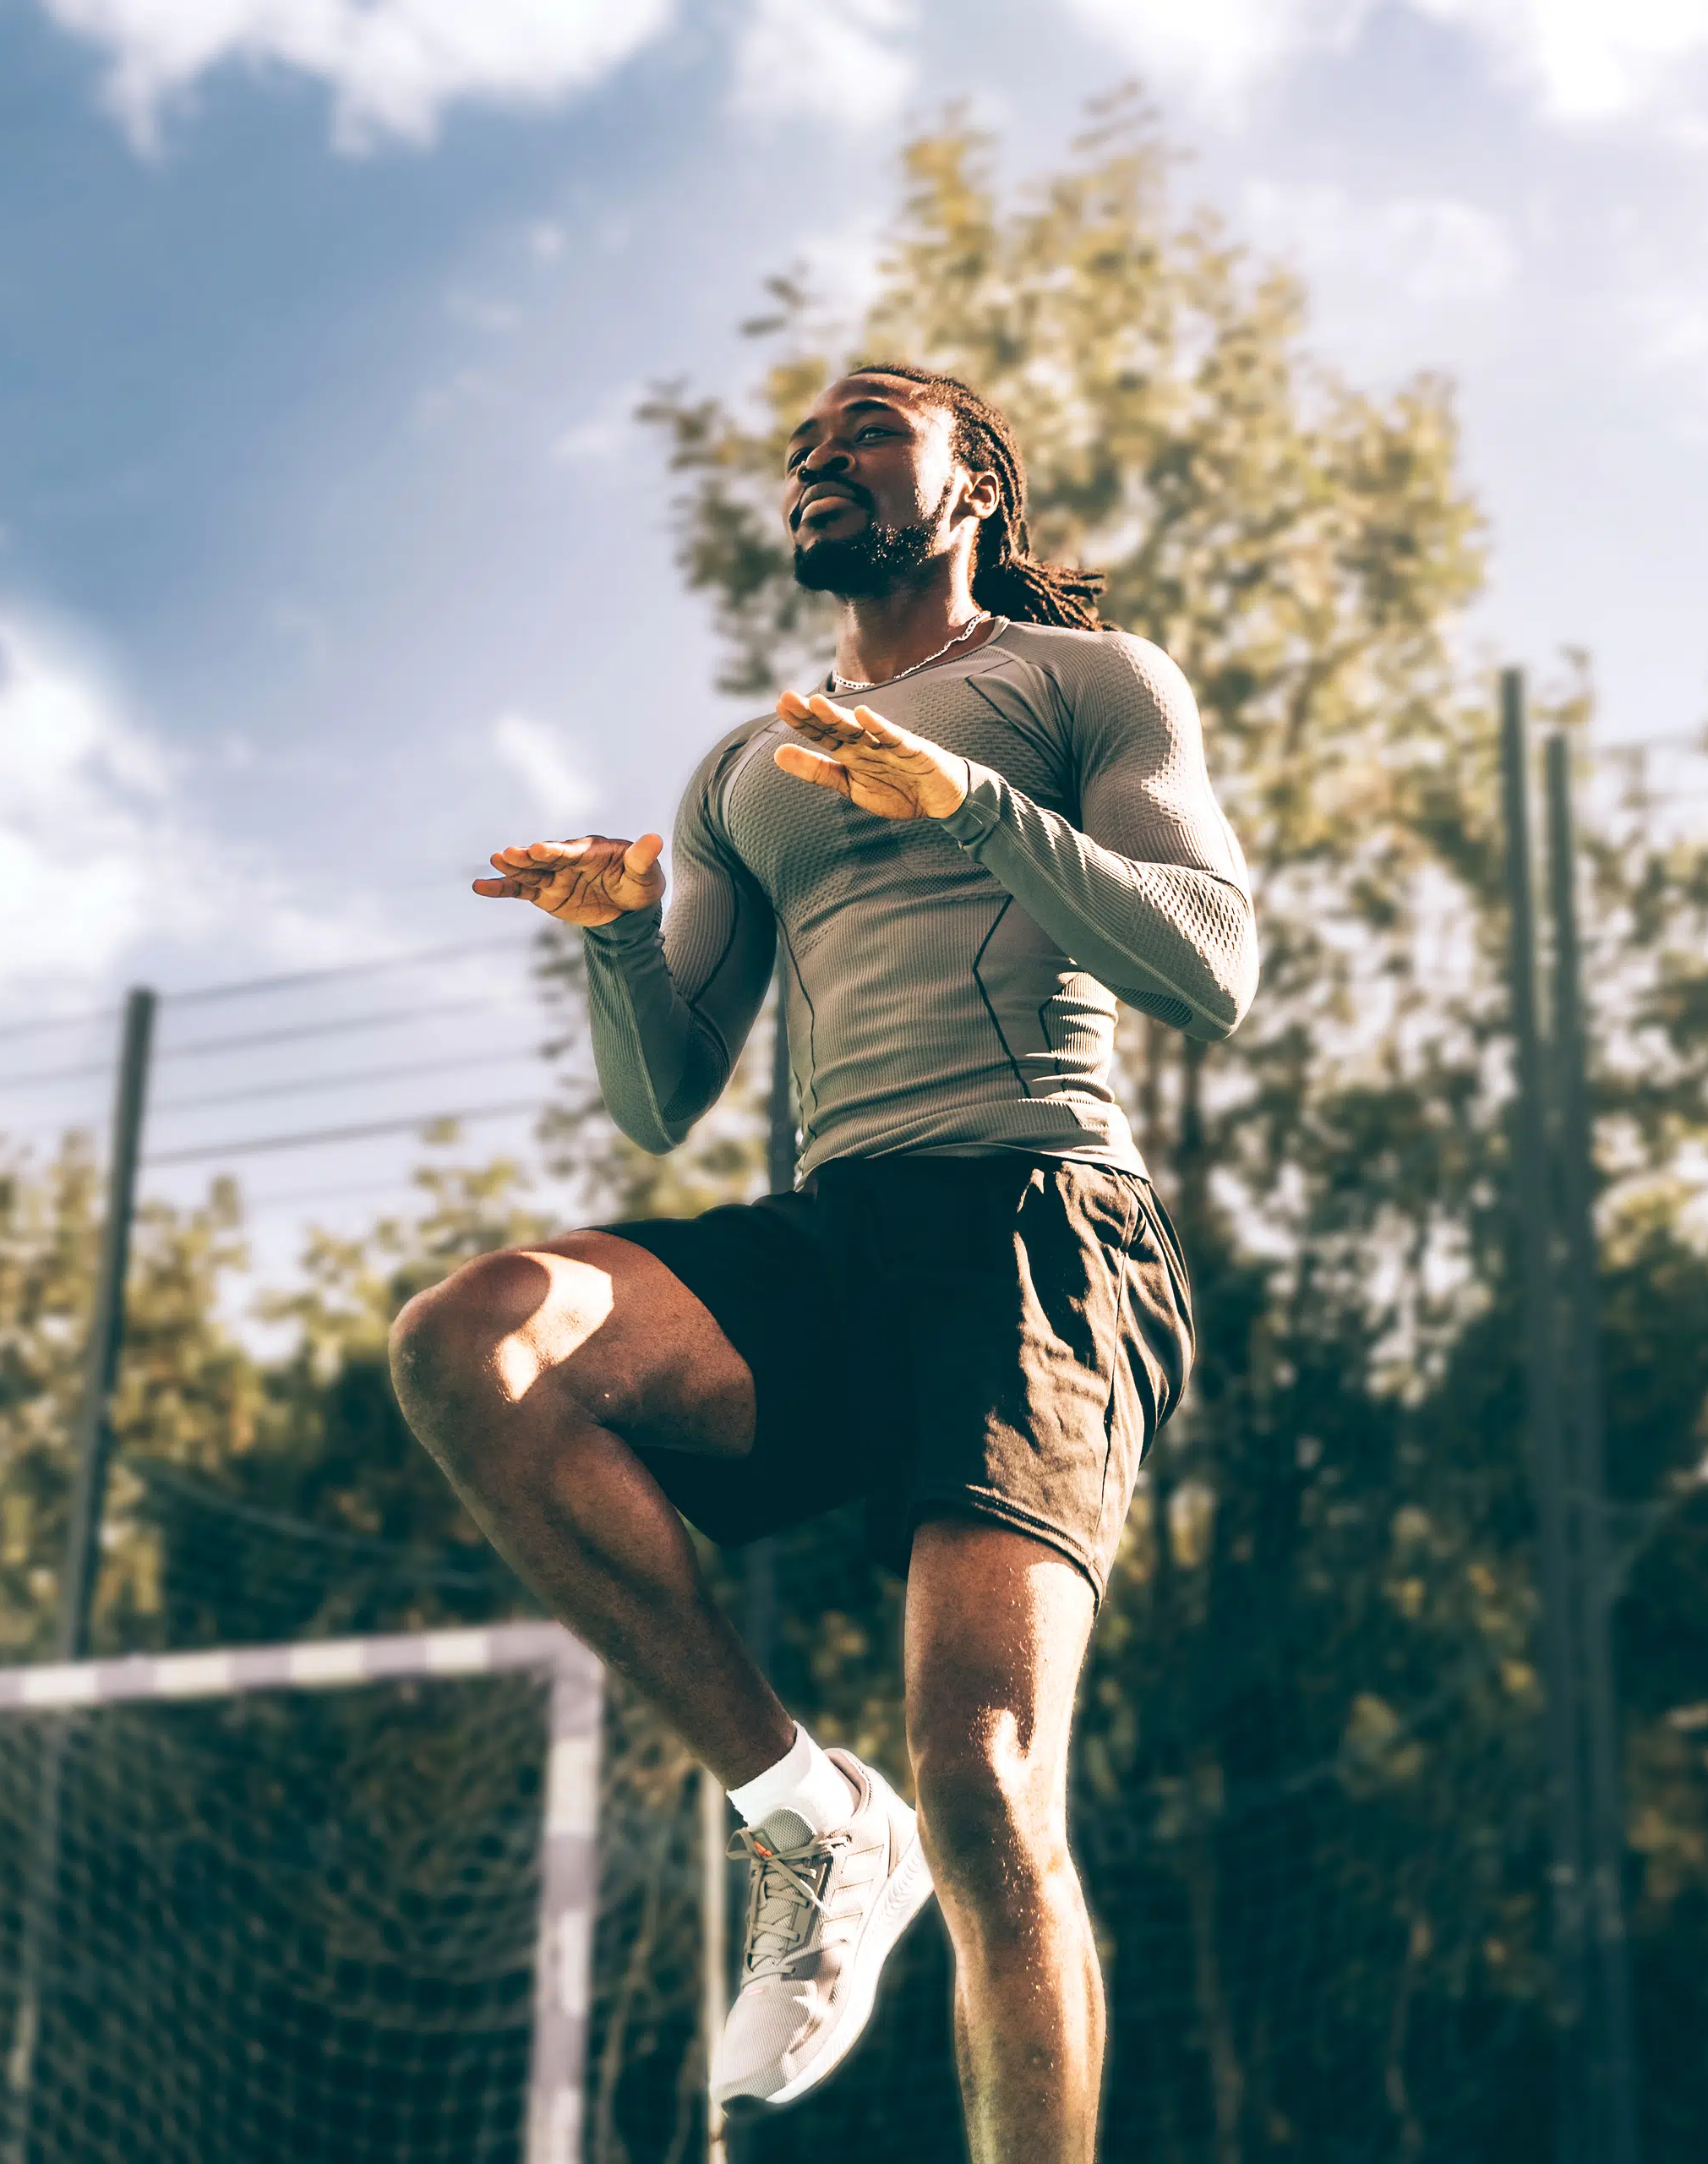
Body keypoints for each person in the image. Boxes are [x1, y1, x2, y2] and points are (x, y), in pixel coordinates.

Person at [390, 363, 1255, 2161]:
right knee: (478, 1339)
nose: (822, 459)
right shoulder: (741, 771)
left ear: (974, 486)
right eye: (806, 448)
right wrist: (627, 936)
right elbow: (663, 1093)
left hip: (1041, 1224)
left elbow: (1210, 963)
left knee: (987, 1781)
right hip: (832, 1230)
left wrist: (970, 807)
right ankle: (797, 1806)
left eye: (867, 430)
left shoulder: (1085, 683)